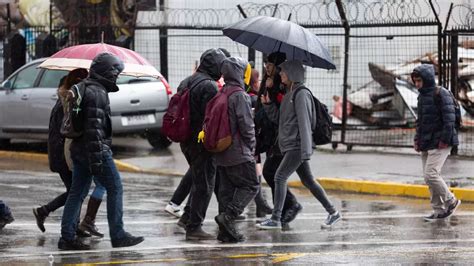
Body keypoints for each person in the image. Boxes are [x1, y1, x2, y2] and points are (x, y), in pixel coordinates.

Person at [58, 53, 144, 250]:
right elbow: (94, 130)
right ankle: (118, 234)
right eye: (116, 73)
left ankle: (67, 237)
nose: (117, 77)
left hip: (79, 148)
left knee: (77, 192)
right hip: (94, 149)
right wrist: (97, 161)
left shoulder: (85, 87)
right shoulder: (97, 93)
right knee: (115, 187)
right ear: (108, 72)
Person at [258, 60, 341, 230]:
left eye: (284, 71)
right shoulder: (290, 93)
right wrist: (268, 105)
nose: (280, 74)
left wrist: (306, 149)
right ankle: (333, 212)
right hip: (291, 144)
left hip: (297, 145)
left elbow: (305, 123)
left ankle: (276, 218)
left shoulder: (301, 94)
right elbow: (281, 121)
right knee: (308, 181)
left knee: (279, 177)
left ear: (293, 73)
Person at [33, 69, 106, 238]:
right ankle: (56, 219)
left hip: (66, 154)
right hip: (64, 156)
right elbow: (66, 133)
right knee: (76, 191)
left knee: (76, 191)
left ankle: (65, 222)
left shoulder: (68, 101)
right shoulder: (66, 104)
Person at [178, 48, 226, 240]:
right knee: (204, 184)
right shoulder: (209, 86)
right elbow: (211, 118)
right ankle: (194, 227)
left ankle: (188, 218)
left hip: (185, 140)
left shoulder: (187, 81)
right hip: (201, 142)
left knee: (200, 181)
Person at [214, 57, 259, 243]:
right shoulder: (240, 95)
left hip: (221, 151)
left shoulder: (222, 92)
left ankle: (225, 233)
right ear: (240, 73)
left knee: (226, 191)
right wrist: (252, 147)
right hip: (238, 152)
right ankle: (229, 217)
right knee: (251, 185)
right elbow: (246, 126)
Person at [254, 52, 302, 224]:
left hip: (282, 137)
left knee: (272, 172)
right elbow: (261, 106)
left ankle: (289, 206)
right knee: (275, 173)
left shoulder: (284, 86)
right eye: (266, 62)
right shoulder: (268, 83)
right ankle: (281, 212)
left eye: (271, 64)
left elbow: (282, 114)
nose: (267, 66)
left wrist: (272, 92)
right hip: (270, 136)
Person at [411, 64, 461, 222]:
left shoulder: (441, 93)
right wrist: (417, 140)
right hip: (426, 141)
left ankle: (450, 200)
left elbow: (449, 120)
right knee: (429, 177)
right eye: (415, 81)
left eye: (419, 81)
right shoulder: (421, 96)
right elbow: (420, 121)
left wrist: (444, 141)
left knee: (430, 174)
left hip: (440, 142)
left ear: (427, 79)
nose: (417, 84)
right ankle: (438, 210)